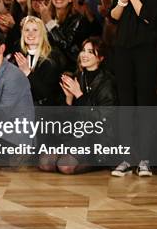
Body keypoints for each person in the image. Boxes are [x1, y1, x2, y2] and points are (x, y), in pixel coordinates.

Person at [109, 0, 157, 178]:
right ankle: (126, 157)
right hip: (122, 47)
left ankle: (145, 158)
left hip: (145, 49)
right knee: (125, 103)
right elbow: (113, 16)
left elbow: (148, 17)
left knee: (144, 102)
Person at [41, 37, 117, 174]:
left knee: (65, 166)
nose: (84, 54)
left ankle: (102, 162)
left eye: (90, 52)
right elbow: (68, 122)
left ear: (100, 58)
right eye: (83, 50)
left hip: (98, 139)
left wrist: (79, 95)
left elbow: (101, 120)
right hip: (77, 138)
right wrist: (69, 100)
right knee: (45, 163)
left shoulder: (107, 82)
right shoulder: (78, 77)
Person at [11, 16, 65, 105]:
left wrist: (27, 72)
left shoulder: (52, 58)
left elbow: (45, 93)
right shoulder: (18, 54)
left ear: (42, 33)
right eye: (27, 30)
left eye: (35, 30)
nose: (30, 34)